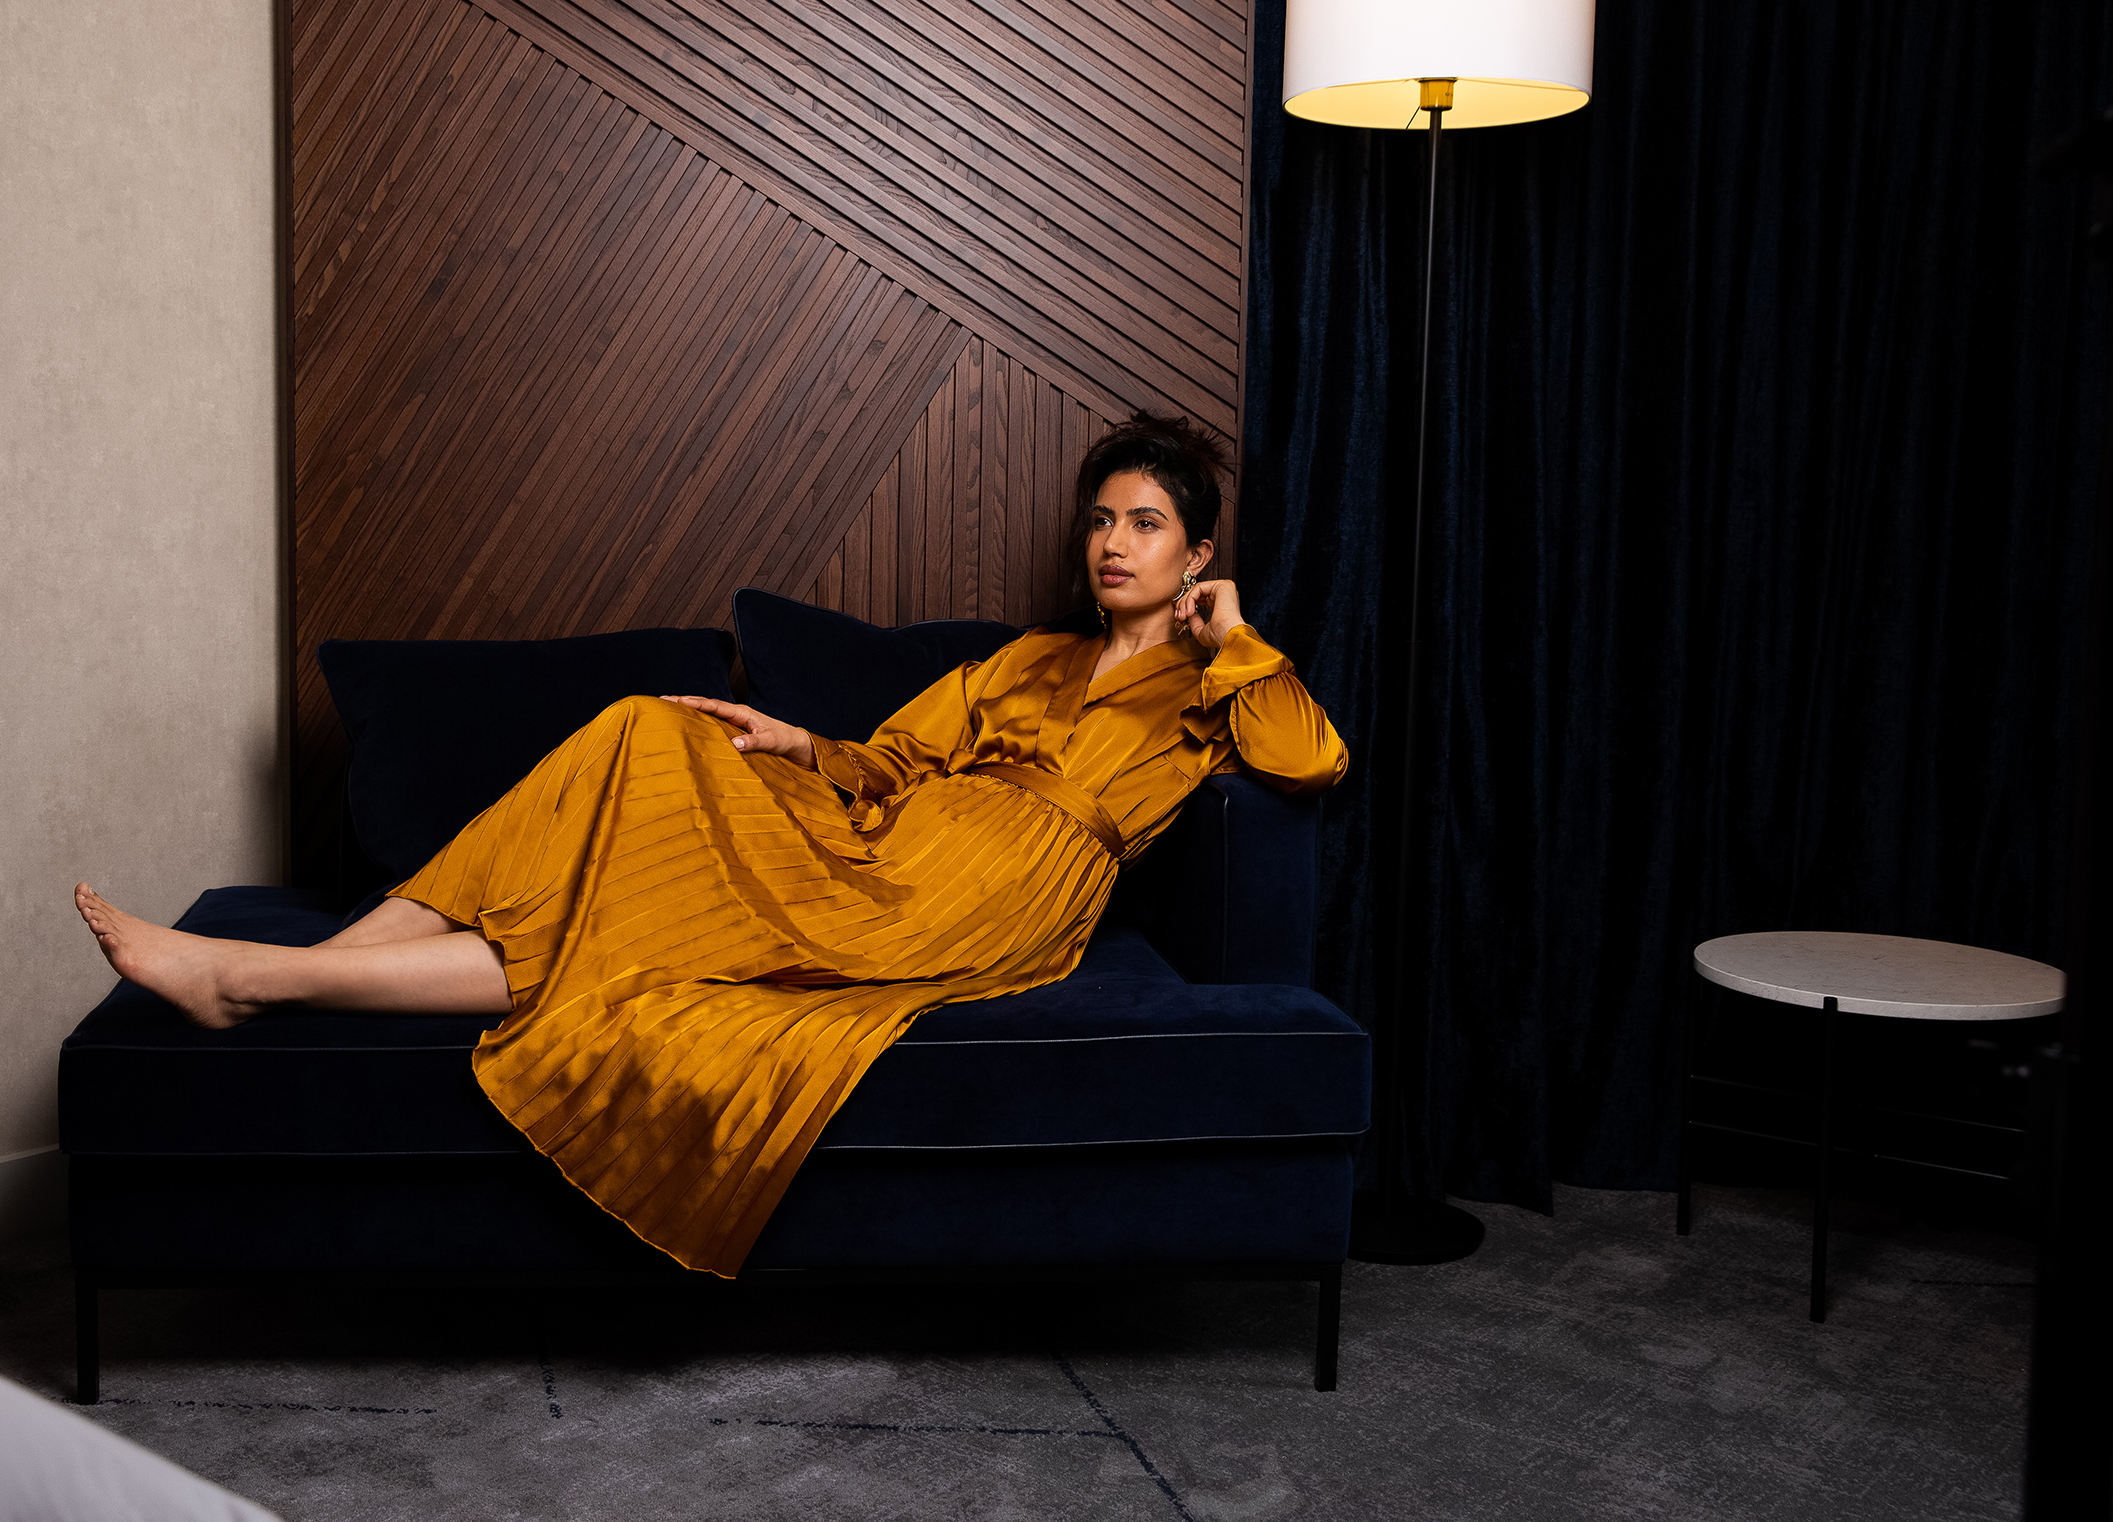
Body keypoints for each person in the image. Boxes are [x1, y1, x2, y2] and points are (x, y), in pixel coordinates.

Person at [75, 412, 1348, 1276]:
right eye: (1101, 520)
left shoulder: (1216, 686)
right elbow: (892, 762)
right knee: (644, 727)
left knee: (629, 900)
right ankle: (289, 976)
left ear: (1197, 549)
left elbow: (1311, 761)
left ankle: (269, 979)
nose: (1112, 544)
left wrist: (1232, 636)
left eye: (1143, 523)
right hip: (879, 844)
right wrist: (795, 743)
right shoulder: (1025, 659)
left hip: (986, 896)